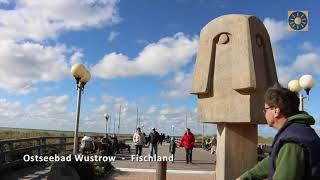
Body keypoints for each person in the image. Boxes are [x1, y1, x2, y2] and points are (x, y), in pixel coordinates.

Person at [237, 83, 320, 180]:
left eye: (265, 109)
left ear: (276, 111)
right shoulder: (297, 132)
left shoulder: (291, 143)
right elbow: (273, 158)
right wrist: (248, 176)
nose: (264, 113)